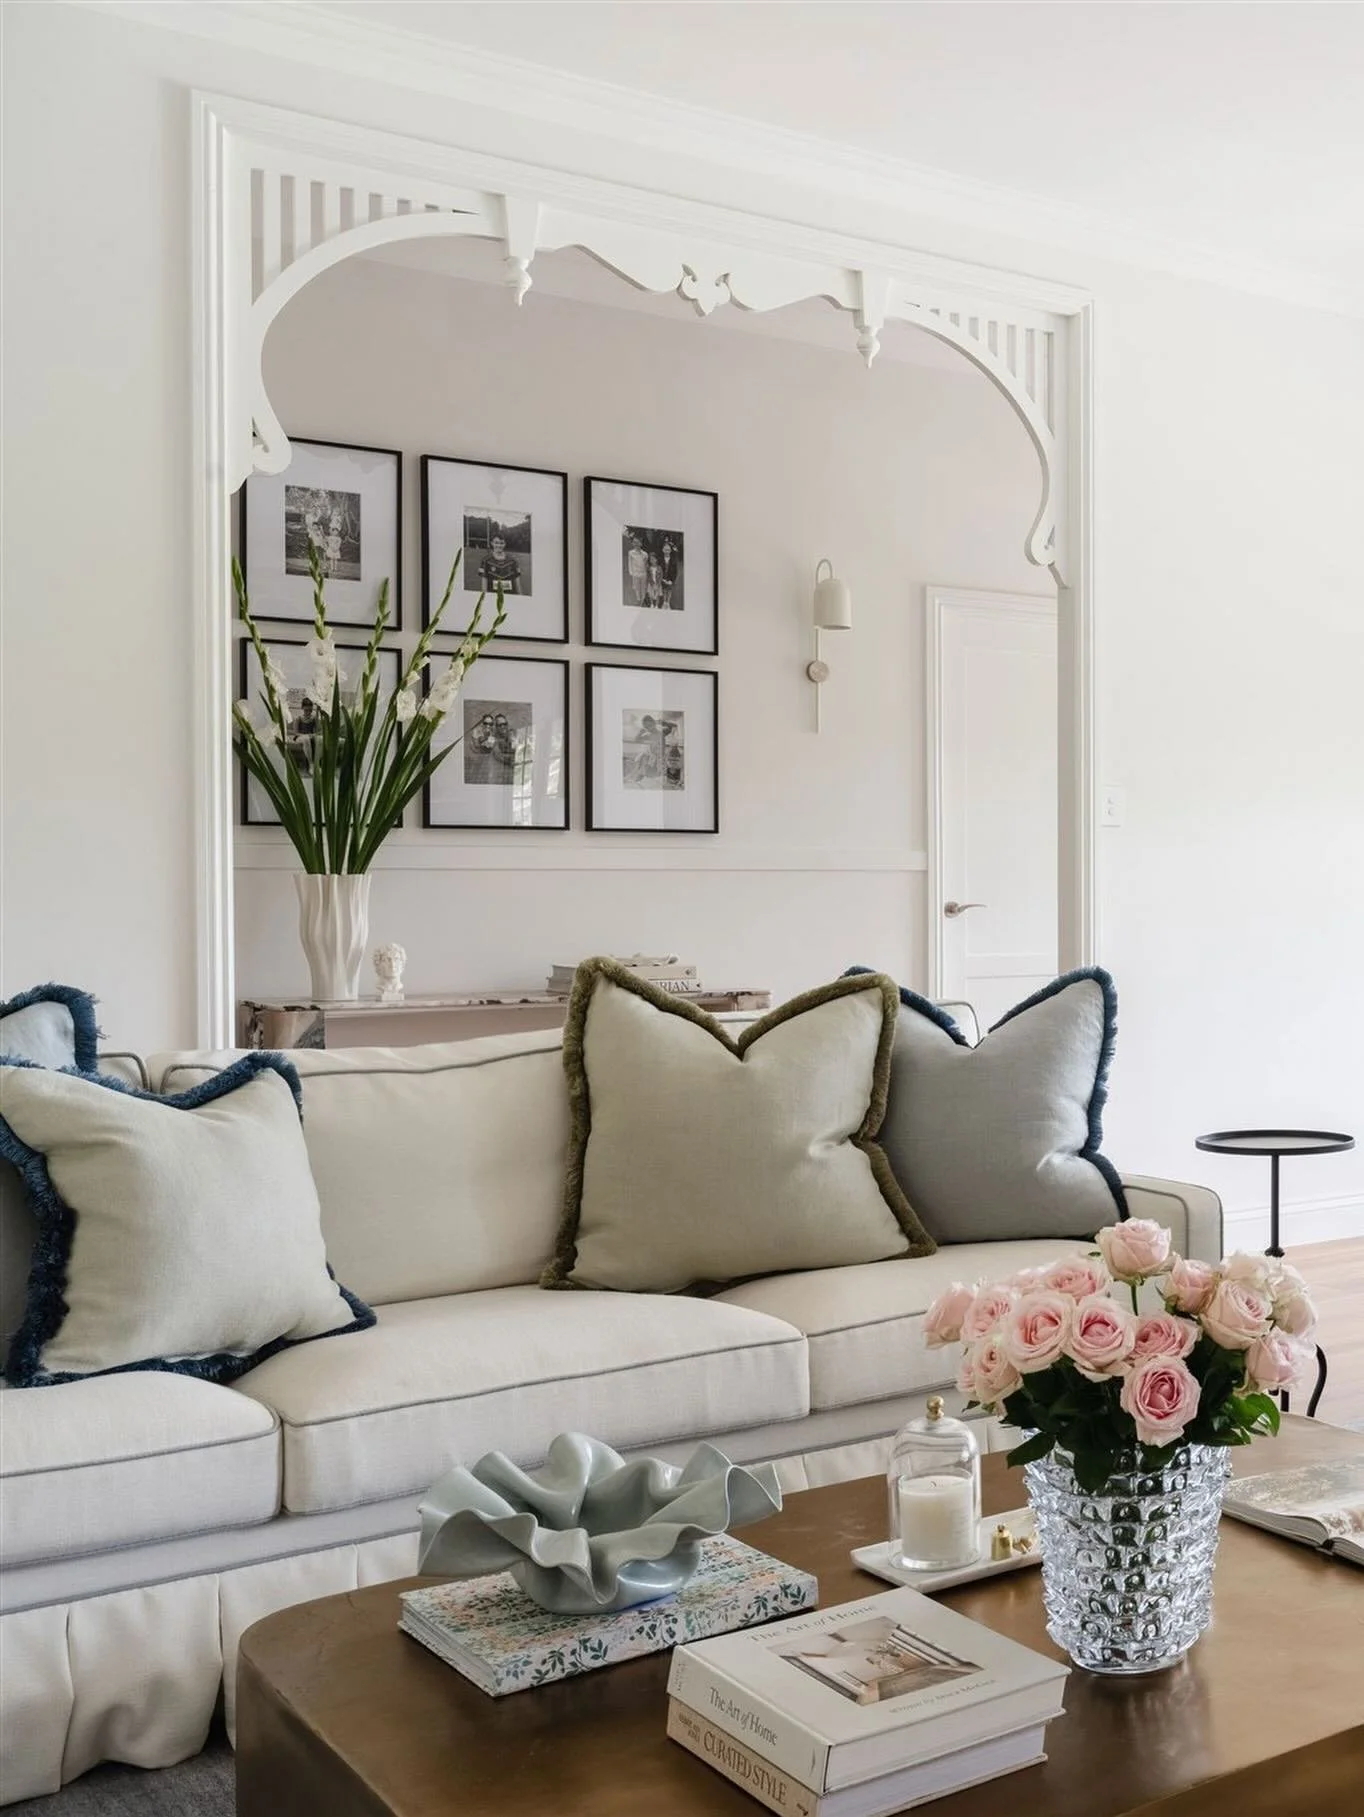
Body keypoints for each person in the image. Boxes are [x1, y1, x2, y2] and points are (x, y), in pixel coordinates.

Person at [626, 534, 649, 606]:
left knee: (643, 587)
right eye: (634, 542)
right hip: (635, 573)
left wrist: (646, 573)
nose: (636, 544)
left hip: (643, 573)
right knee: (636, 587)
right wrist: (631, 572)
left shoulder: (645, 554)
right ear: (632, 543)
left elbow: (646, 564)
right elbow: (629, 562)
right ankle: (638, 599)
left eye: (638, 542)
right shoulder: (630, 553)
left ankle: (643, 600)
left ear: (641, 544)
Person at [659, 538, 679, 608]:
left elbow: (675, 572)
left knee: (669, 590)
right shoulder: (660, 559)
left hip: (670, 578)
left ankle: (668, 602)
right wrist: (661, 579)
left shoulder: (673, 560)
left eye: (668, 550)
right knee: (664, 590)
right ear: (662, 550)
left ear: (670, 551)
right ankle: (664, 602)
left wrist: (672, 580)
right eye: (665, 550)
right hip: (663, 578)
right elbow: (659, 570)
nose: (666, 551)